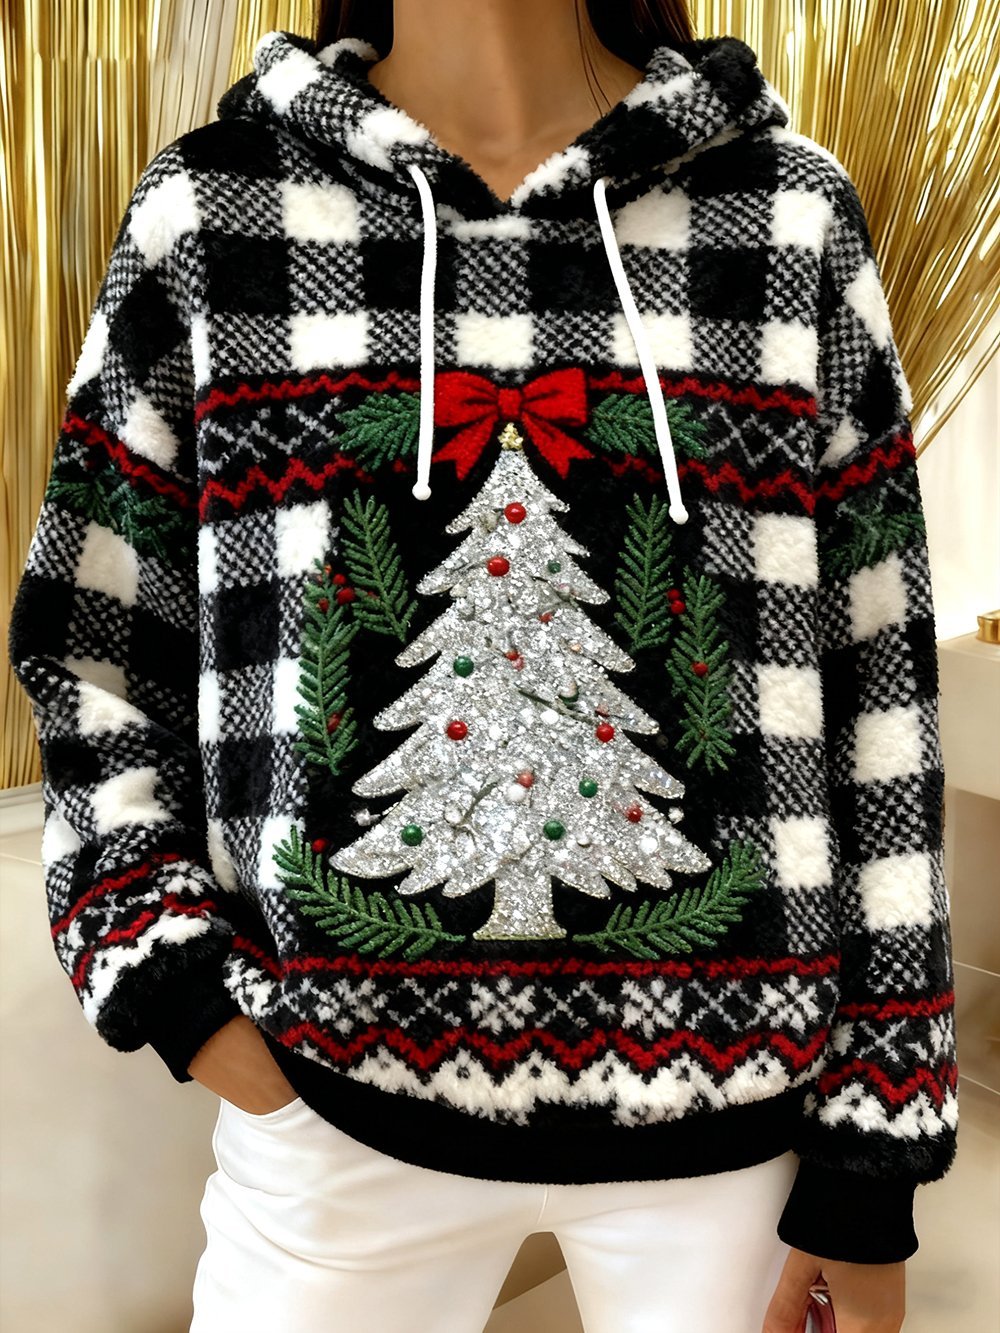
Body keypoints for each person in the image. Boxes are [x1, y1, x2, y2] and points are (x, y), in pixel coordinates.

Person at [8, 0, 959, 1330]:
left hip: (737, 1120)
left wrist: (874, 1151)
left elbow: (882, 701)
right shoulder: (212, 217)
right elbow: (92, 643)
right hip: (329, 1105)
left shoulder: (789, 218)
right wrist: (170, 980)